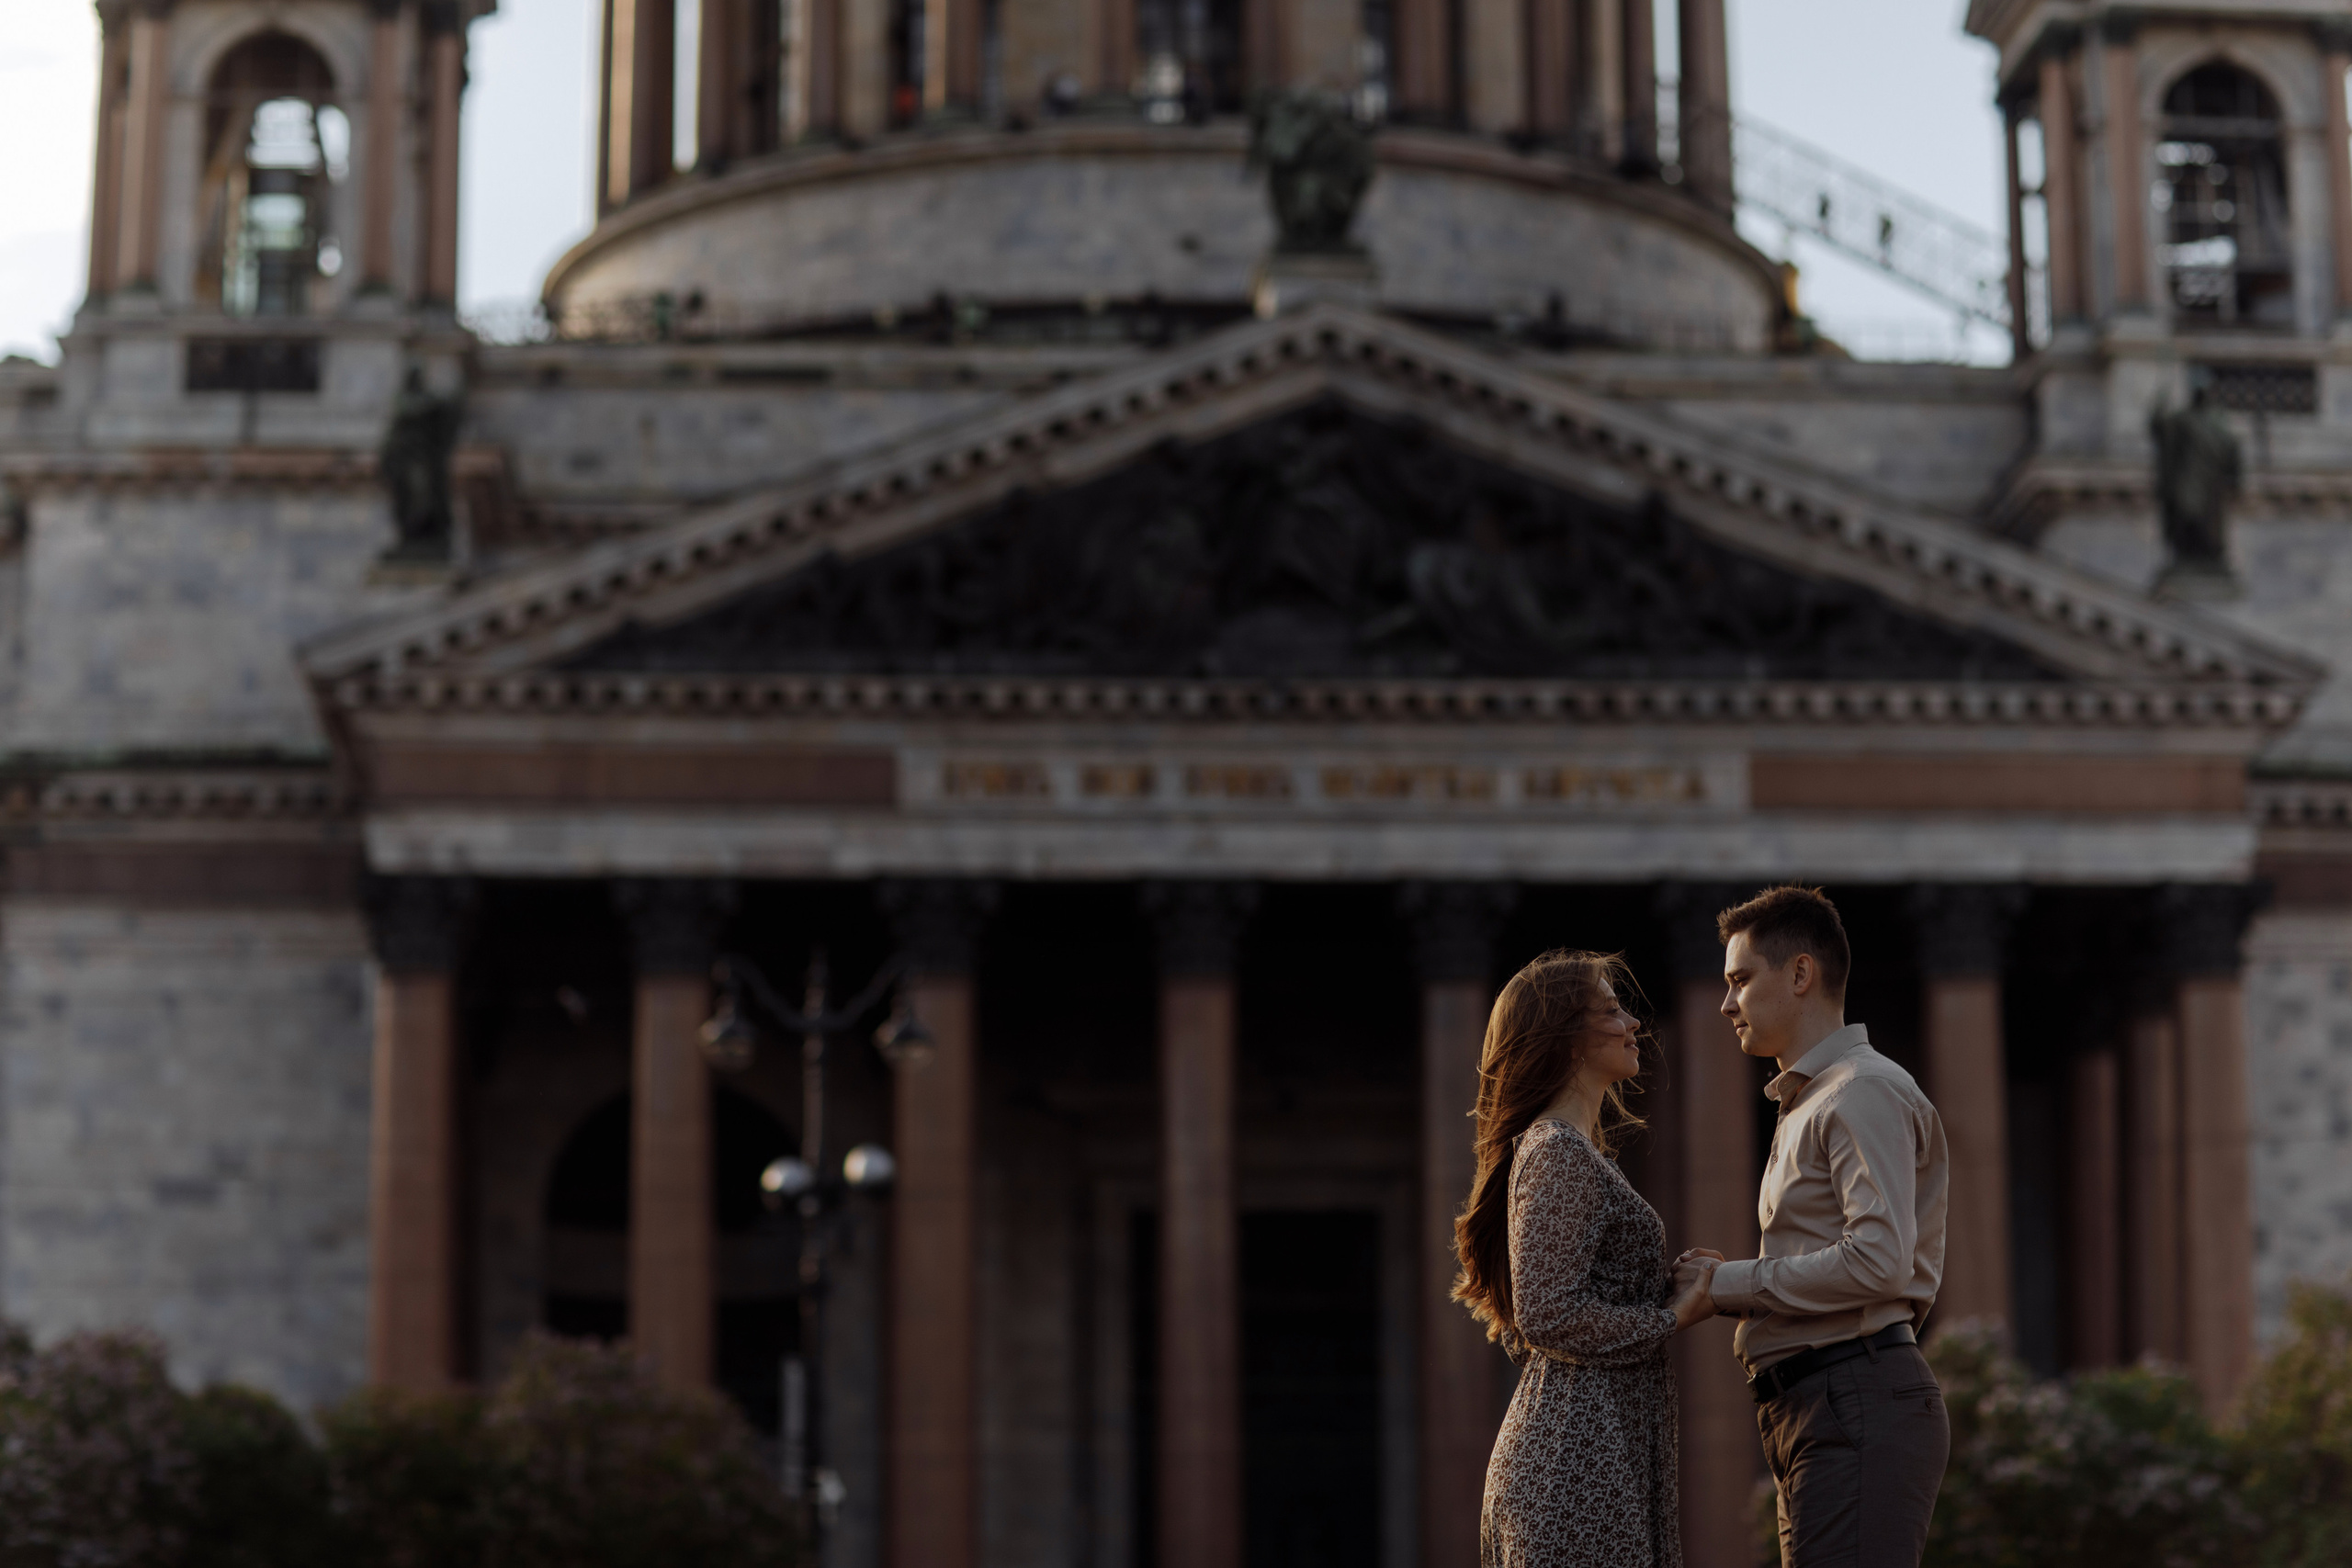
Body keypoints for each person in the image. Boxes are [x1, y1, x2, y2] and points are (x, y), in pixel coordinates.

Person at [1679, 886, 1951, 1567]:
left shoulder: (1860, 1089)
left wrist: (1727, 1283)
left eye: (1740, 979)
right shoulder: (1813, 1097)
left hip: (1853, 1393)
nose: (1726, 1002)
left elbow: (1879, 1261)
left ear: (1800, 974)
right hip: (1820, 1403)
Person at [1455, 950, 1723, 1568]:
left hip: (1594, 1449)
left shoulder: (1570, 1149)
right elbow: (1549, 1312)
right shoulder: (1556, 1150)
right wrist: (1674, 1315)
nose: (1633, 1022)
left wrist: (1672, 1286)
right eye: (1610, 1010)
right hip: (1574, 1461)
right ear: (1564, 1038)